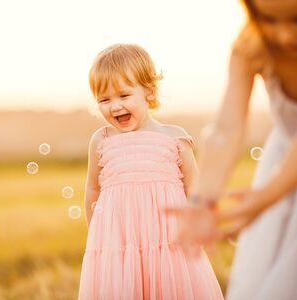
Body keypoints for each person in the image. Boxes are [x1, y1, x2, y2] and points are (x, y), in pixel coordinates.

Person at [165, 0, 297, 299]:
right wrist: (203, 198)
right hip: (287, 174)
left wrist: (264, 198)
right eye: (269, 19)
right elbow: (227, 127)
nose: (285, 34)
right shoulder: (251, 47)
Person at [77, 43, 224, 299]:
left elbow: (194, 189)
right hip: (119, 246)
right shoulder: (101, 141)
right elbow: (92, 189)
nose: (114, 106)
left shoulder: (174, 138)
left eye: (123, 96)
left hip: (169, 246)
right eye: (104, 100)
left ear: (149, 90)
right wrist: (98, 236)